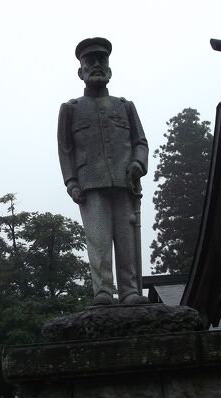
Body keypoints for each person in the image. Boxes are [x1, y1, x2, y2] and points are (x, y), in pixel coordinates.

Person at [57, 37, 149, 307]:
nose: (97, 65)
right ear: (80, 71)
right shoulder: (70, 109)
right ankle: (103, 292)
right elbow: (65, 150)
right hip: (90, 183)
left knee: (126, 238)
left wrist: (138, 163)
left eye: (102, 60)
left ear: (109, 67)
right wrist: (71, 182)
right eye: (90, 61)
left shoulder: (125, 106)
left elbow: (139, 142)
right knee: (97, 240)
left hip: (124, 181)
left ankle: (130, 290)